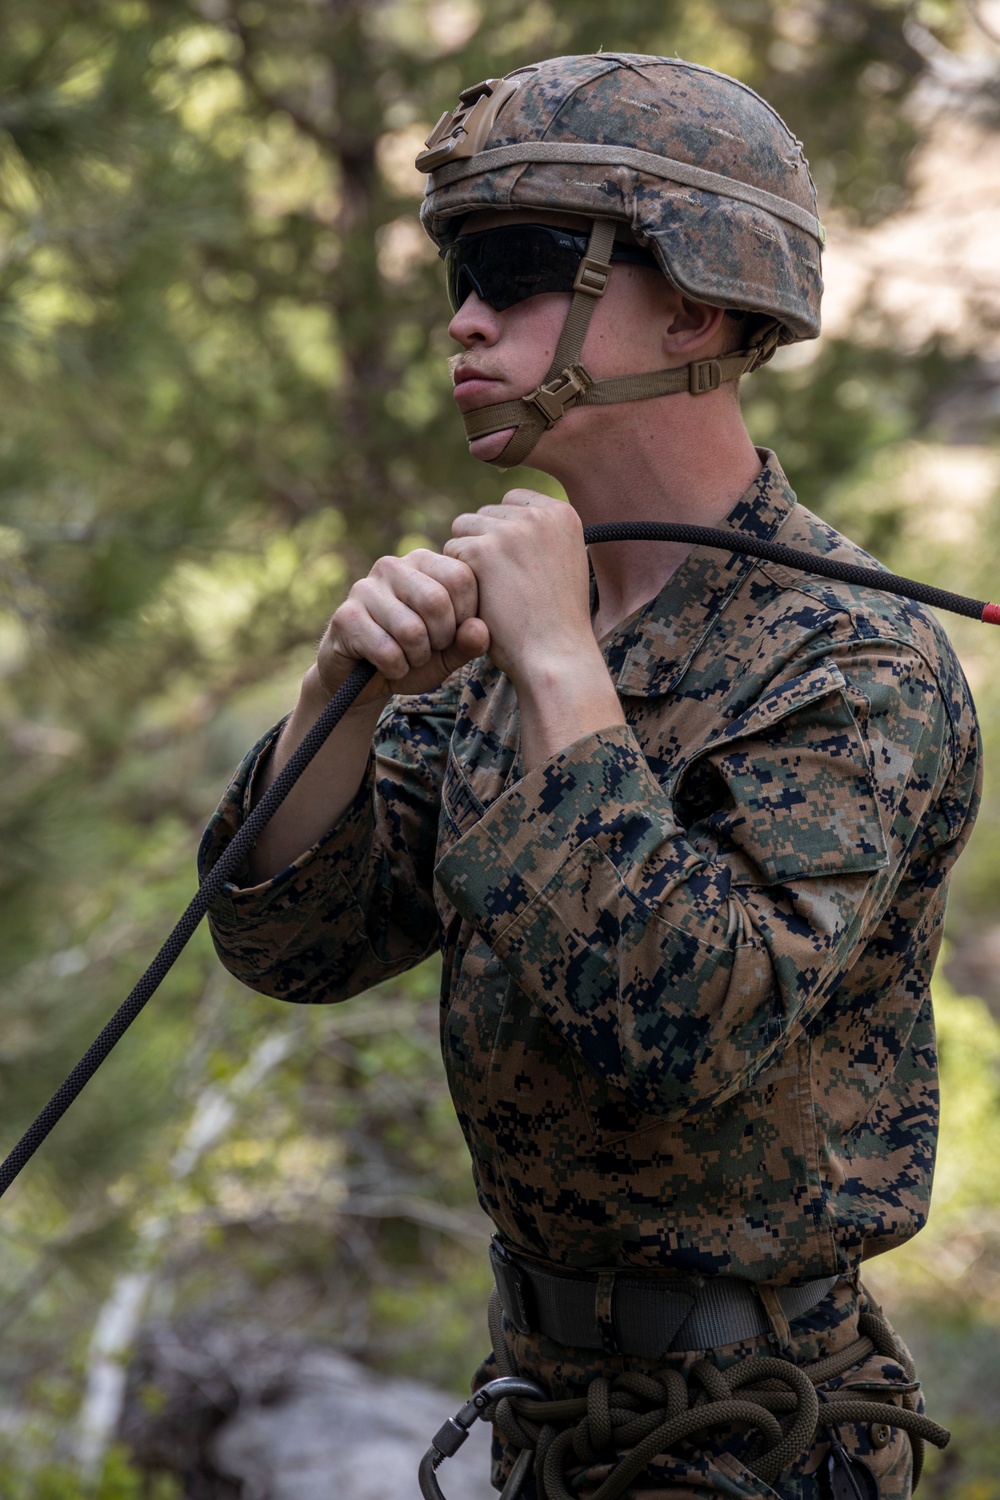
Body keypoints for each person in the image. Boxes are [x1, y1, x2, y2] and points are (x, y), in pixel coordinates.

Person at [199, 54, 982, 1498]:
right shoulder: (520, 629)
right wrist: (340, 703)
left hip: (761, 1436)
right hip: (546, 1419)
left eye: (521, 267)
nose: (465, 320)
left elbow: (689, 1028)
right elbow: (296, 944)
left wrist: (563, 668)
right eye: (457, 272)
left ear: (697, 302)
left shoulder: (853, 660)